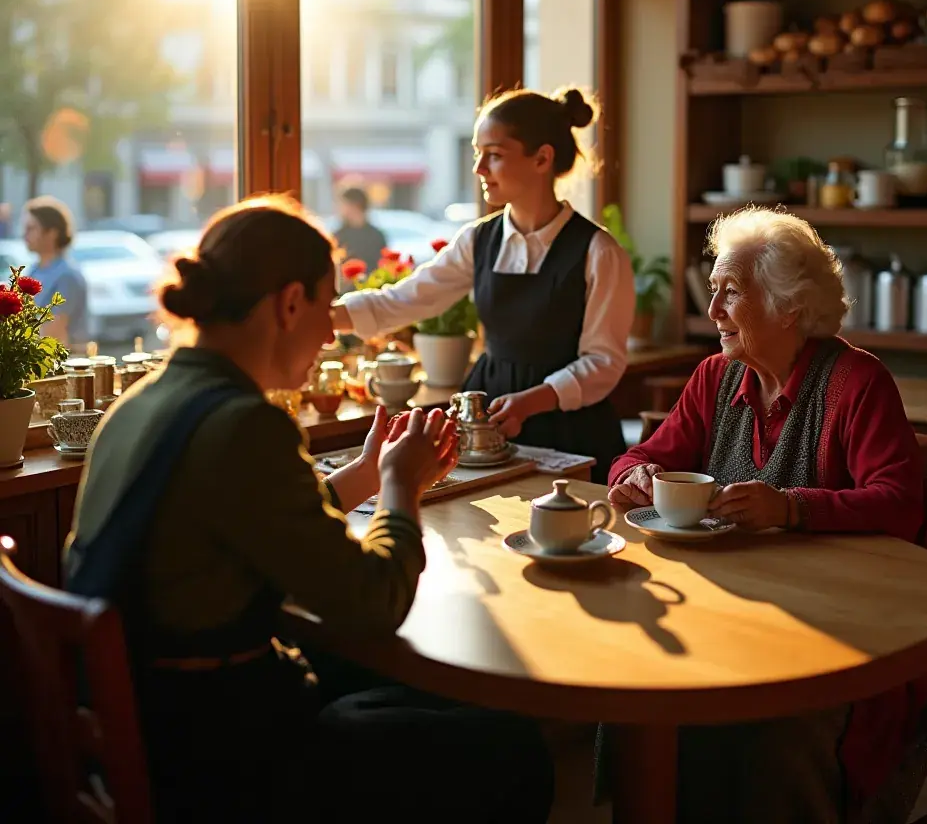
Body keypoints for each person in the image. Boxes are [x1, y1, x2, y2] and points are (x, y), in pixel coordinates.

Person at [64, 195, 553, 824]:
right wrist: (400, 488)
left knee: (412, 691)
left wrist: (364, 475)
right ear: (290, 303)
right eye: (327, 308)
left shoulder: (142, 403)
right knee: (513, 749)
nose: (328, 334)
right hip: (223, 759)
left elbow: (252, 520)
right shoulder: (246, 424)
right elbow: (375, 603)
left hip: (150, 717)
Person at [605, 207, 927, 824]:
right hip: (731, 620)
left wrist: (791, 507)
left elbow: (900, 502)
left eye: (730, 292)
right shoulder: (715, 377)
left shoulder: (857, 383)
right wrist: (635, 477)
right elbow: (642, 455)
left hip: (841, 635)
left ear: (788, 306)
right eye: (713, 291)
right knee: (645, 689)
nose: (713, 311)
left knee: (774, 737)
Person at [331, 87, 634, 484]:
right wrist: (325, 318)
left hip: (570, 429)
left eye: (494, 154)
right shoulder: (478, 240)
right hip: (488, 423)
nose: (478, 168)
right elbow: (406, 300)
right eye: (477, 153)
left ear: (542, 158)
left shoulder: (599, 251)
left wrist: (531, 402)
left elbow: (603, 363)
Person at [22, 196, 88, 347]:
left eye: (31, 228)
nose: (24, 235)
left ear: (52, 232)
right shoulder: (33, 271)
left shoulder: (67, 276)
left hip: (64, 360)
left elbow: (53, 334)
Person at [333, 185, 387, 267]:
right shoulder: (338, 236)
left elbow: (382, 265)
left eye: (343, 204)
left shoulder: (376, 236)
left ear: (355, 205)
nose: (339, 209)